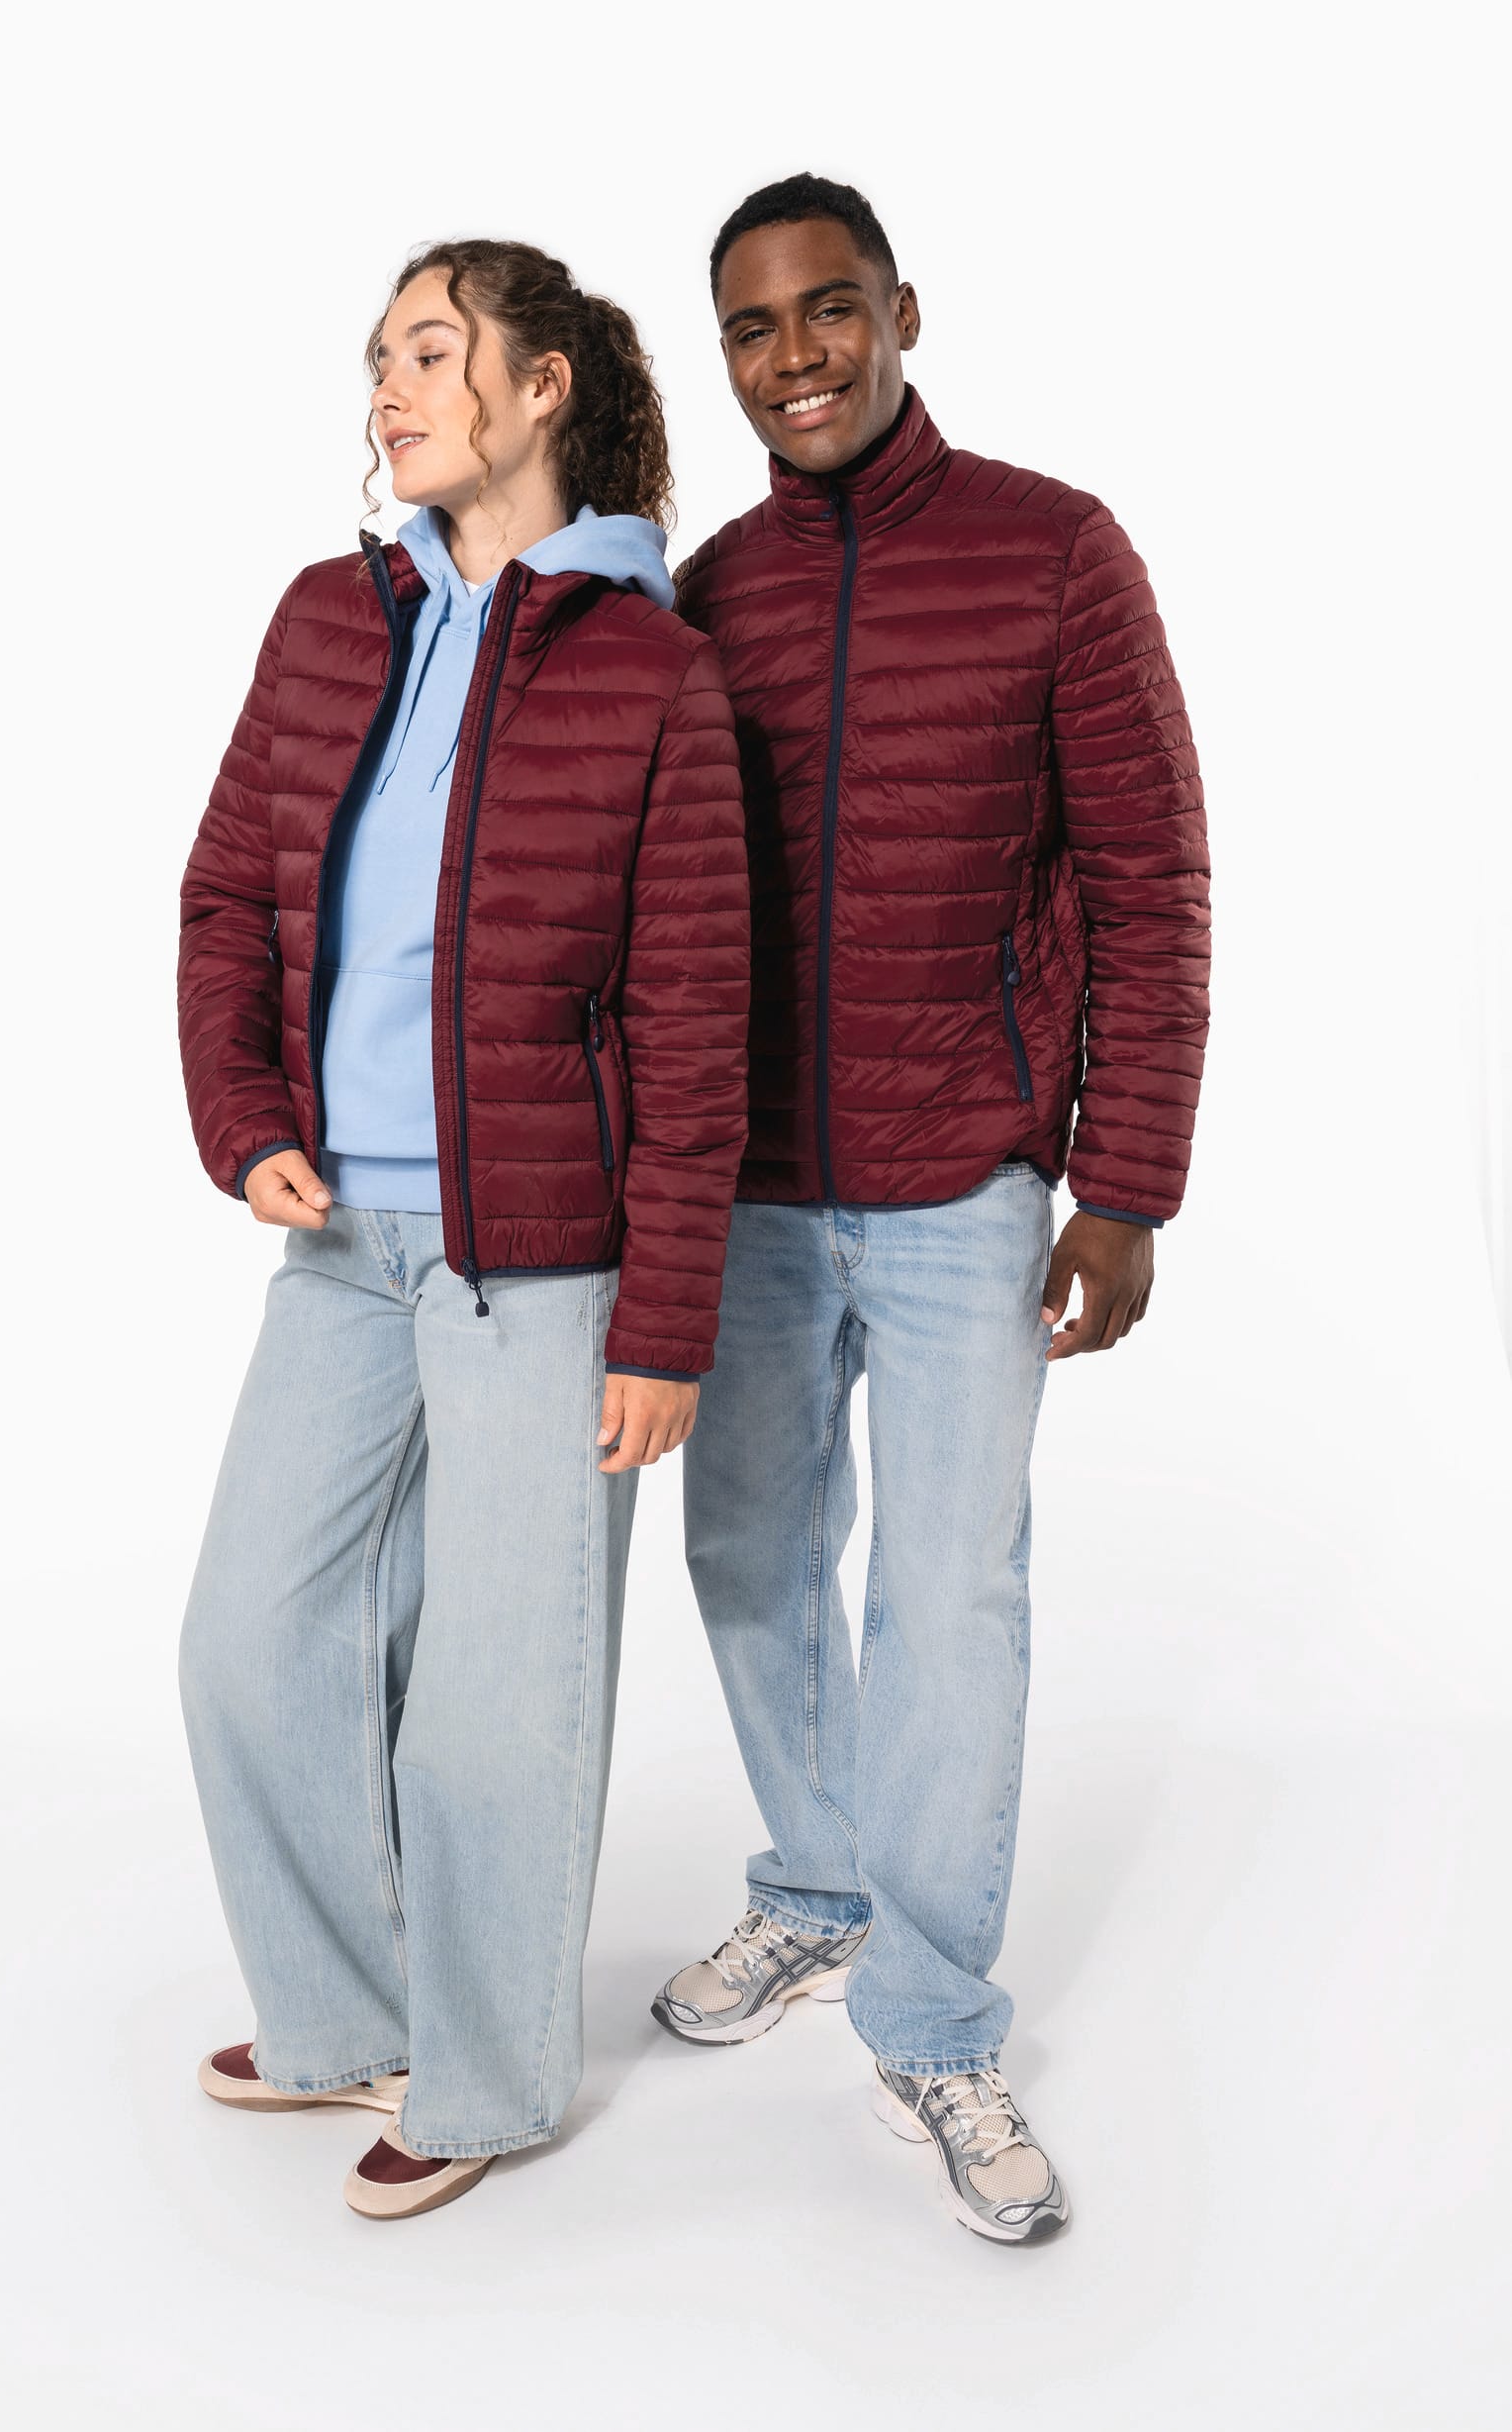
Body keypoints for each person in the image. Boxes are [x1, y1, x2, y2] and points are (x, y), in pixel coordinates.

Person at [656, 175, 1211, 2243]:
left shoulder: (1053, 550)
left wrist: (1123, 1179)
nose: (792, 355)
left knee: (949, 1593)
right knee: (746, 1555)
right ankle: (817, 1884)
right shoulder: (709, 594)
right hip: (751, 1192)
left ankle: (930, 2015)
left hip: (969, 1174)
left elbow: (1151, 878)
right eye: (750, 326)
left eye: (826, 309)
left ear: (900, 310)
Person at [175, 238, 748, 2221]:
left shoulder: (652, 670)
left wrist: (663, 1320)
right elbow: (225, 894)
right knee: (249, 1636)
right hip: (340, 1233)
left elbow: (694, 1020)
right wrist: (244, 1116)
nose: (390, 390)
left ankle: (491, 2078)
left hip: (545, 1257)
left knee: (499, 1698)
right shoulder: (329, 622)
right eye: (378, 360)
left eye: (430, 351)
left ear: (540, 387)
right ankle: (348, 2009)